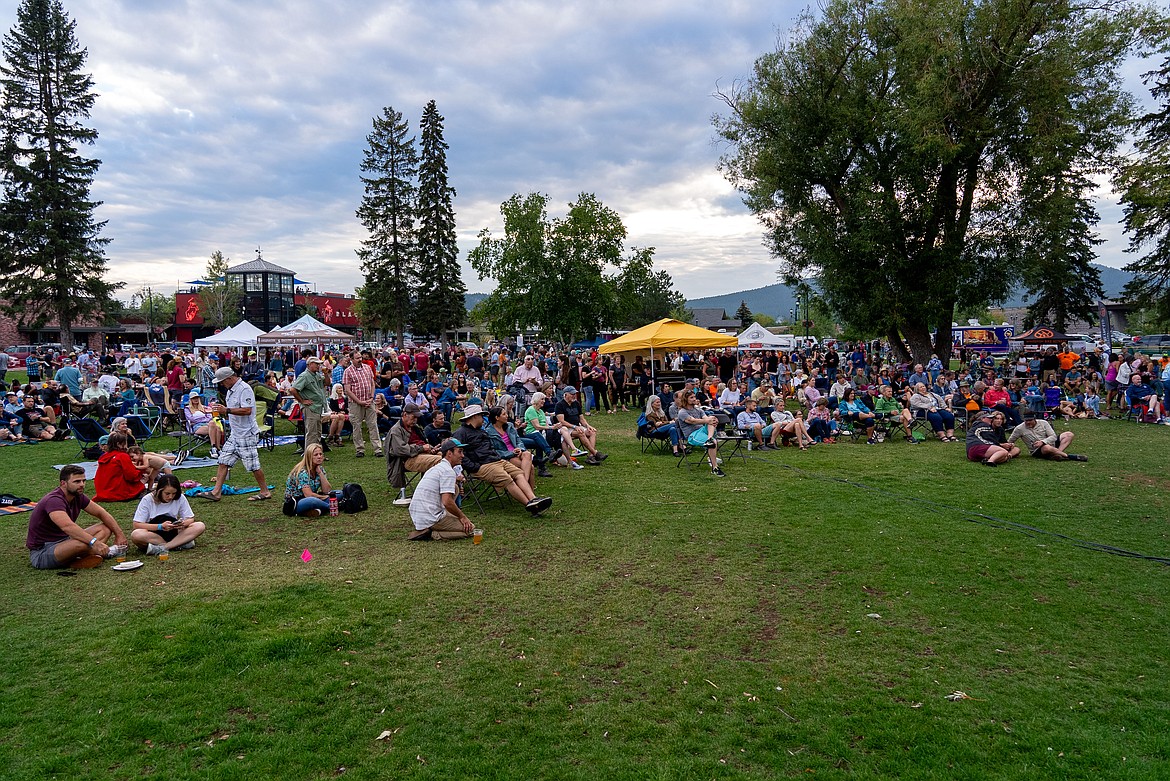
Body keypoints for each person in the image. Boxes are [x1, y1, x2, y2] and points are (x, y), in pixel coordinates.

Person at [26, 465, 130, 569]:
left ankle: (78, 560)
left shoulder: (77, 496)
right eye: (77, 482)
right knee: (82, 543)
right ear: (63, 483)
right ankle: (108, 552)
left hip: (65, 541)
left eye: (83, 481)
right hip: (42, 552)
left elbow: (101, 513)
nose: (82, 485)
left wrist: (119, 534)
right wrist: (95, 542)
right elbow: (67, 526)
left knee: (105, 528)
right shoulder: (54, 500)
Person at [453, 404, 551, 514]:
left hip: (496, 460)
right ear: (474, 417)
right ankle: (530, 506)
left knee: (519, 473)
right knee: (507, 478)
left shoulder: (481, 431)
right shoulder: (460, 433)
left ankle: (534, 499)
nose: (483, 419)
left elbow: (492, 448)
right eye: (481, 416)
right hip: (482, 466)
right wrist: (473, 467)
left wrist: (498, 457)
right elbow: (457, 455)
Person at [204, 366, 272, 502]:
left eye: (222, 382)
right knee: (223, 460)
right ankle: (216, 492)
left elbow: (247, 410)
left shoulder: (245, 389)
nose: (221, 385)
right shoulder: (231, 390)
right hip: (236, 434)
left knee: (253, 465)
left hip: (246, 433)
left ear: (229, 378)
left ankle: (265, 492)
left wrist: (226, 410)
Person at [407, 438, 475, 541]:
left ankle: (432, 526)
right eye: (459, 452)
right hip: (430, 518)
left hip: (419, 516)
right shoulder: (447, 471)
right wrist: (462, 517)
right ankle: (434, 534)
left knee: (454, 488)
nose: (463, 455)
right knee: (470, 529)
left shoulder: (438, 468)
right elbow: (447, 501)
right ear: (449, 453)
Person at [130, 474, 206, 554]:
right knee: (136, 534)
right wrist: (160, 526)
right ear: (160, 491)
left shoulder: (180, 497)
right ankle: (179, 543)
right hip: (154, 533)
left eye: (174, 494)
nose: (170, 497)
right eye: (167, 494)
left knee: (200, 525)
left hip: (174, 531)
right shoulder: (148, 499)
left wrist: (183, 524)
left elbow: (190, 518)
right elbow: (136, 524)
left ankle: (165, 547)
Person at [386, 403, 442, 494]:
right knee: (440, 460)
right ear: (404, 415)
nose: (415, 420)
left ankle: (436, 488)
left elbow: (423, 443)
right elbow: (400, 450)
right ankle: (443, 490)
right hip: (407, 459)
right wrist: (421, 448)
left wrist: (431, 449)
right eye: (413, 417)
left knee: (449, 457)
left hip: (422, 454)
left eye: (416, 418)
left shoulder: (415, 428)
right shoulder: (396, 430)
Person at [343, 349, 382, 458]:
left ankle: (377, 449)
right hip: (355, 404)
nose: (360, 360)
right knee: (357, 426)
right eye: (357, 358)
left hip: (369, 401)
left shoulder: (367, 368)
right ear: (351, 360)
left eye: (360, 357)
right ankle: (360, 449)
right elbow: (347, 390)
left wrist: (371, 397)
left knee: (373, 425)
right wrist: (359, 401)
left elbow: (372, 383)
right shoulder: (348, 371)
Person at [675, 390, 725, 476]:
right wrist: (709, 420)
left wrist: (712, 419)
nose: (694, 399)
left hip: (703, 431)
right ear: (685, 399)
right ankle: (715, 468)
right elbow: (692, 421)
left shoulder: (698, 409)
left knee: (712, 419)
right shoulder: (682, 412)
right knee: (713, 441)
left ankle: (709, 439)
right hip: (693, 435)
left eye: (694, 397)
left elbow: (706, 418)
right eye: (691, 397)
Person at [554, 387, 607, 465]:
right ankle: (595, 453)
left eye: (574, 394)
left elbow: (581, 419)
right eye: (572, 394)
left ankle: (591, 456)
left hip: (577, 427)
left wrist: (588, 426)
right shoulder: (560, 405)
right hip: (566, 429)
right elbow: (561, 421)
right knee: (581, 432)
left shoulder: (576, 403)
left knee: (591, 432)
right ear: (565, 394)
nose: (574, 395)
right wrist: (574, 427)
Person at [487, 405, 540, 483]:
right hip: (506, 456)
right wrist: (511, 453)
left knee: (527, 454)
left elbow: (518, 440)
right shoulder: (488, 432)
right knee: (531, 467)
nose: (507, 416)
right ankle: (529, 492)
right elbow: (493, 451)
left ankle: (524, 484)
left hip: (517, 452)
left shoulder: (509, 426)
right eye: (504, 414)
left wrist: (520, 448)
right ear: (497, 418)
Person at [1007, 413, 1087, 461]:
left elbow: (1053, 436)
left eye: (1030, 420)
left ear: (1035, 419)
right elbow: (1011, 441)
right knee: (1047, 448)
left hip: (1050, 443)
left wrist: (1043, 442)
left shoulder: (1043, 423)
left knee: (1069, 434)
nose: (1028, 422)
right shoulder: (1019, 428)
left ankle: (1057, 454)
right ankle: (1069, 456)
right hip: (1037, 450)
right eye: (1026, 421)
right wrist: (1009, 447)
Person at [94, 432, 148, 502]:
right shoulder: (122, 456)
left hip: (102, 491)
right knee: (145, 477)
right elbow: (131, 476)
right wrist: (140, 471)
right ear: (119, 444)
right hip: (117, 493)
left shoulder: (104, 456)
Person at [285, 443, 335, 517]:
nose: (319, 457)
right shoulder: (302, 472)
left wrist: (320, 473)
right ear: (309, 457)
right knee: (313, 501)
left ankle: (314, 510)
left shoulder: (319, 468)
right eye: (316, 455)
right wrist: (326, 497)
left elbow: (327, 491)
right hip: (297, 501)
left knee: (339, 494)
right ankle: (331, 507)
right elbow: (308, 495)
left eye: (321, 454)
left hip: (314, 497)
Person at [291, 356, 328, 452]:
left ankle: (316, 453)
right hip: (310, 407)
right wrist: (302, 401)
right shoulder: (304, 376)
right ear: (310, 364)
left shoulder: (317, 375)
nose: (318, 366)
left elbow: (327, 383)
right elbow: (293, 390)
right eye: (316, 364)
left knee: (318, 432)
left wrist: (326, 374)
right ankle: (309, 455)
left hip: (318, 407)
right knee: (311, 432)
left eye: (319, 364)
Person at [184, 390, 224, 456]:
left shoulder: (204, 407)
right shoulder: (187, 409)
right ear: (191, 400)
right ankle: (217, 448)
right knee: (216, 427)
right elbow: (191, 419)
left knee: (215, 426)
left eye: (197, 398)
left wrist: (199, 419)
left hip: (208, 425)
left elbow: (210, 416)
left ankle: (215, 448)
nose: (196, 399)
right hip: (197, 426)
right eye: (194, 398)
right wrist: (203, 419)